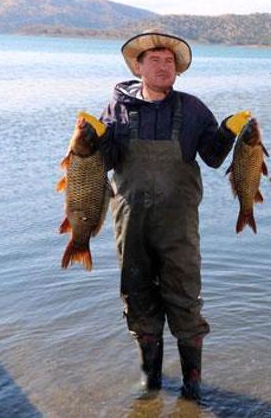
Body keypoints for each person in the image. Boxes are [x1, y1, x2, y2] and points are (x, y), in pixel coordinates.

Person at [86, 31, 250, 401]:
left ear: (177, 70)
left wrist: (226, 131)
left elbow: (211, 156)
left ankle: (192, 384)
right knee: (138, 296)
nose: (163, 67)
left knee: (184, 297)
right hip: (131, 221)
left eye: (170, 62)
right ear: (138, 67)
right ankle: (151, 380)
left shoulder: (192, 109)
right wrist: (97, 139)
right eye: (155, 60)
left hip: (178, 225)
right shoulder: (118, 108)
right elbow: (106, 162)